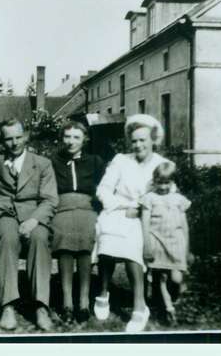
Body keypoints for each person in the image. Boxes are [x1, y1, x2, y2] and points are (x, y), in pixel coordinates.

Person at [93, 114, 171, 333]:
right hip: (116, 211)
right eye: (134, 141)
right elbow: (104, 189)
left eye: (143, 140)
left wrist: (139, 207)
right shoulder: (120, 160)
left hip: (147, 218)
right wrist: (120, 207)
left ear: (153, 140)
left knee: (133, 240)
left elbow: (169, 193)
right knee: (107, 233)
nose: (137, 145)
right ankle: (103, 292)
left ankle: (140, 304)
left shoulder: (164, 165)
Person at [0, 117, 59, 331]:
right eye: (8, 139)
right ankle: (8, 305)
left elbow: (49, 199)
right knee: (7, 238)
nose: (15, 143)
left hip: (34, 215)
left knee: (39, 238)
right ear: (2, 140)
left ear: (26, 136)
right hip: (6, 215)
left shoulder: (42, 163)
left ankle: (40, 305)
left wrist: (34, 219)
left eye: (19, 137)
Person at [49, 121, 105, 324]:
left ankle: (83, 301)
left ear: (84, 140)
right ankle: (66, 302)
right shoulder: (53, 161)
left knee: (86, 235)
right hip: (61, 207)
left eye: (76, 137)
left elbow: (105, 187)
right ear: (61, 139)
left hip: (87, 208)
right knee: (64, 235)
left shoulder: (95, 161)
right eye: (67, 137)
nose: (71, 141)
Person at [140, 162, 191, 327]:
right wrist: (147, 245)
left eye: (167, 182)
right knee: (162, 276)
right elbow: (145, 223)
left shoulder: (178, 199)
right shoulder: (149, 198)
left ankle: (174, 295)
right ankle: (169, 311)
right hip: (158, 241)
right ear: (154, 181)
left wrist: (187, 249)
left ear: (173, 182)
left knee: (176, 279)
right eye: (159, 182)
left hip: (176, 242)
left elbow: (184, 227)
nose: (163, 186)